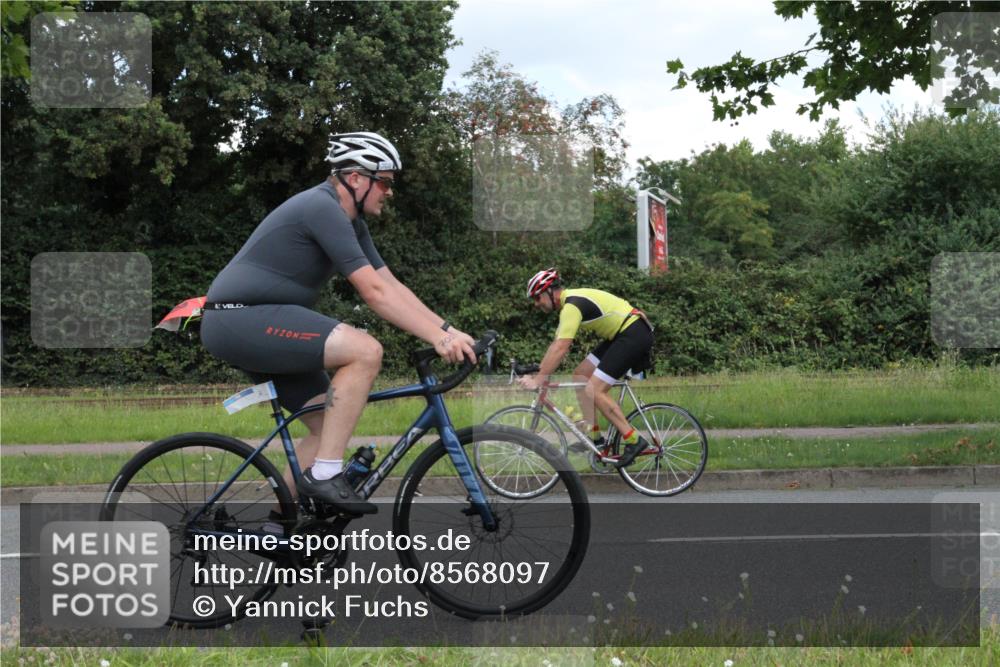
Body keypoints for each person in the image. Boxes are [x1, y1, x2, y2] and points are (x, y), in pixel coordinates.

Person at [200, 132, 476, 515]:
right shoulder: (322, 207)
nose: (388, 191)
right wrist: (436, 337)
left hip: (260, 319)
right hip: (241, 316)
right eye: (384, 181)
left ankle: (282, 526)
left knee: (323, 426)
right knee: (365, 350)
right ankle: (326, 475)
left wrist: (446, 330)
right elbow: (373, 293)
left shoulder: (349, 220)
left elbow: (390, 284)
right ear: (356, 178)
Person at [519, 268, 654, 467]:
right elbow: (556, 344)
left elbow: (561, 347)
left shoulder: (572, 306)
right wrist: (539, 370)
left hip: (632, 333)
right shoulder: (570, 304)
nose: (536, 304)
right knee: (580, 375)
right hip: (622, 333)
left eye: (537, 298)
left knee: (594, 389)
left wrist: (539, 380)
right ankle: (595, 438)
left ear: (549, 291)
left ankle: (634, 440)